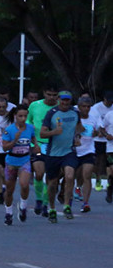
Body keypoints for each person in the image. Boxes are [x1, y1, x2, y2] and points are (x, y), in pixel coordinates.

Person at [40, 91, 82, 223]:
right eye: (63, 100)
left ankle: (66, 205)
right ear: (58, 100)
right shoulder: (51, 113)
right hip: (53, 153)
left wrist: (77, 137)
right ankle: (52, 208)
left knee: (70, 176)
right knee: (52, 184)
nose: (65, 103)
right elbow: (42, 133)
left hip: (68, 151)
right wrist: (54, 132)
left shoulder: (75, 113)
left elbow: (79, 128)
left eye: (67, 100)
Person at [1, 104, 36, 225]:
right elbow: (4, 148)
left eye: (25, 116)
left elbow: (33, 140)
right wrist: (14, 140)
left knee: (24, 184)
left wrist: (35, 146)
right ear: (15, 116)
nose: (23, 119)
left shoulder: (30, 128)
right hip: (11, 162)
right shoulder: (9, 130)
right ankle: (8, 212)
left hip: (24, 160)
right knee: (10, 190)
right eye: (20, 116)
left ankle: (23, 206)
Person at [27, 84, 58, 216]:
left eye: (54, 95)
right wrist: (30, 141)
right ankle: (39, 199)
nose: (51, 98)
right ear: (44, 93)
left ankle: (46, 203)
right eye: (49, 94)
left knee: (51, 177)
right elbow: (28, 121)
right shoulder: (35, 105)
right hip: (38, 143)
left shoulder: (61, 108)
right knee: (39, 173)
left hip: (55, 146)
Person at [75, 96, 100, 212]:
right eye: (83, 106)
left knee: (87, 175)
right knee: (71, 176)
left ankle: (85, 203)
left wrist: (97, 133)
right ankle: (68, 196)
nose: (86, 109)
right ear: (79, 107)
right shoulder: (74, 118)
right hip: (74, 151)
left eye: (88, 107)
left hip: (88, 150)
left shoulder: (93, 118)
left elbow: (99, 130)